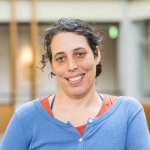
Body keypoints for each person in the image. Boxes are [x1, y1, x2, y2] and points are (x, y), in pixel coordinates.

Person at [0, 18, 150, 150]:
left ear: (96, 55)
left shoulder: (128, 113)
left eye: (80, 54)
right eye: (60, 58)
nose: (71, 66)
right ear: (52, 64)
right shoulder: (25, 118)